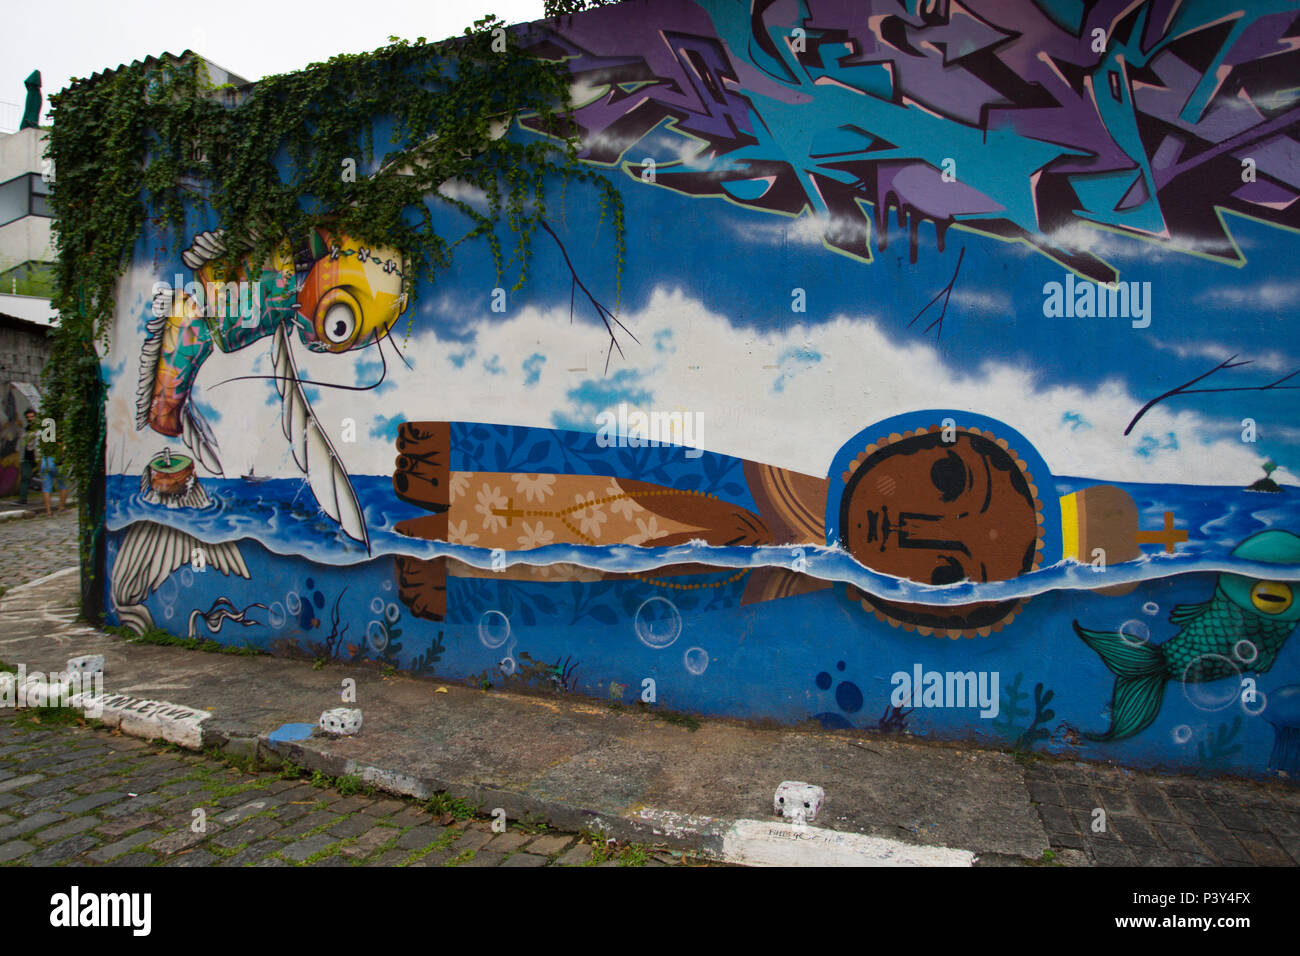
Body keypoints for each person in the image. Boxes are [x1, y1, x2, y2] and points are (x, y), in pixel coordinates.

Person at [38, 427, 67, 517]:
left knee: (46, 488)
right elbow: (63, 449)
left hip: (45, 462)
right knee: (63, 485)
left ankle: (48, 511)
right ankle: (61, 507)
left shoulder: (43, 438)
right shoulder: (58, 438)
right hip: (56, 463)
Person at [18, 409, 38, 505]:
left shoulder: (40, 429)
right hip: (27, 457)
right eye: (28, 417)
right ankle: (22, 499)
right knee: (25, 477)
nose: (30, 419)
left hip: (38, 457)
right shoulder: (25, 429)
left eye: (32, 416)